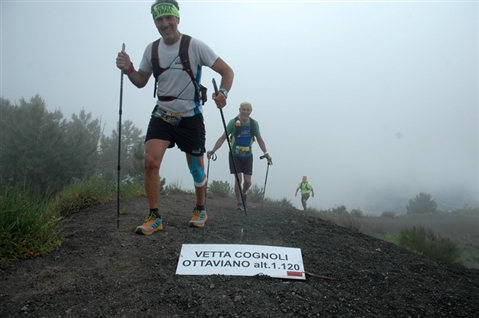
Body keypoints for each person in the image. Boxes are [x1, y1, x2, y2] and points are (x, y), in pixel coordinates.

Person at [115, 0, 234, 235]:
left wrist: (224, 93)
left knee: (196, 168)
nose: (165, 23)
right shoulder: (151, 50)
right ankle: (154, 216)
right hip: (163, 114)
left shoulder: (194, 46)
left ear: (177, 19)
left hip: (191, 116)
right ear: (155, 22)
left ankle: (201, 209)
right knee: (150, 162)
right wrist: (128, 68)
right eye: (159, 19)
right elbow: (141, 81)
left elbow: (227, 71)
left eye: (169, 18)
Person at [207, 102, 272, 210]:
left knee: (248, 182)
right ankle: (239, 202)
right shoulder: (233, 123)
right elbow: (223, 138)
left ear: (251, 111)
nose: (245, 112)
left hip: (248, 155)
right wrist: (213, 151)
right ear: (239, 110)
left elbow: (259, 139)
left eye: (248, 110)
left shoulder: (253, 124)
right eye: (243, 109)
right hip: (234, 155)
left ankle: (243, 193)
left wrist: (266, 154)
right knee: (238, 179)